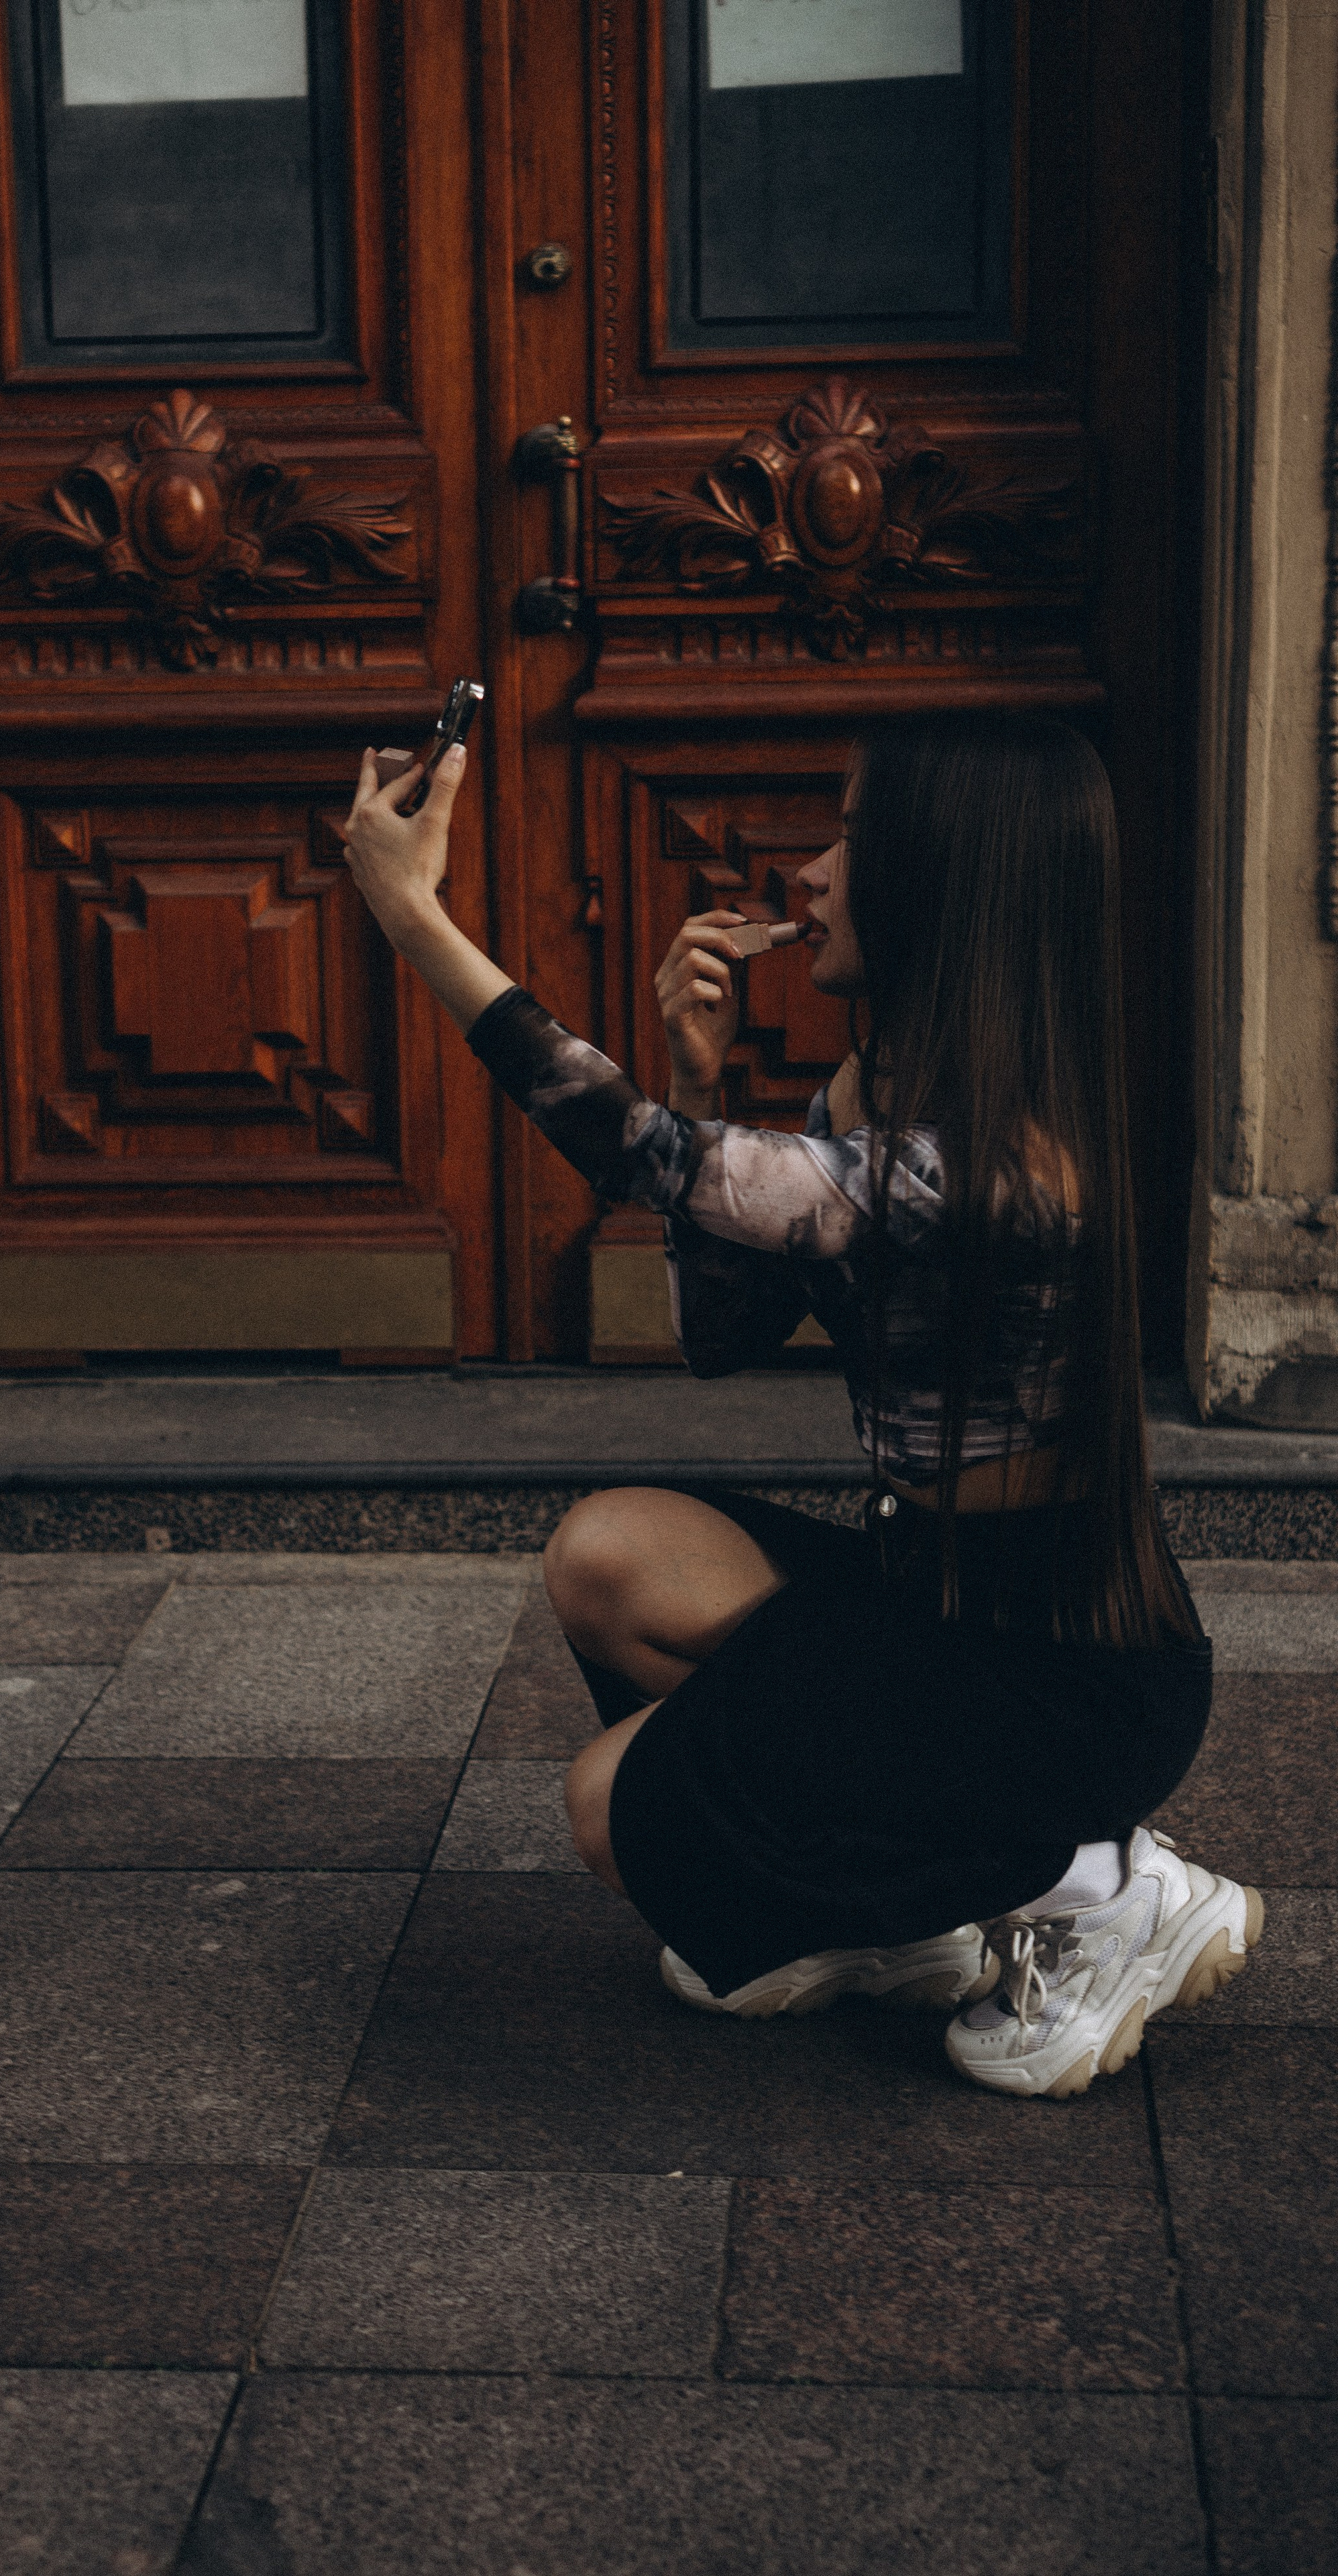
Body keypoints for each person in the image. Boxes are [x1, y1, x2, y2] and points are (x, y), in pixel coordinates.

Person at [341, 714, 1260, 2100]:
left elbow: (636, 1156)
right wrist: (702, 1079)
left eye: (849, 840)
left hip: (1060, 1682)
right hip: (924, 1602)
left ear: (934, 882)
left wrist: (412, 916)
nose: (812, 874)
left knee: (612, 1809)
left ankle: (1099, 1888)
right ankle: (890, 1916)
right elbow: (721, 1335)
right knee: (608, 1555)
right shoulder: (874, 1091)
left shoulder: (995, 1169)